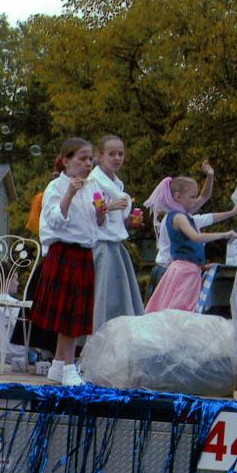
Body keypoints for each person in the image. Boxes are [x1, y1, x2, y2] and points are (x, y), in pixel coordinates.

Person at [28, 138, 105, 387]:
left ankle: (58, 365)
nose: (88, 164)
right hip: (64, 252)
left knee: (74, 314)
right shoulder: (56, 187)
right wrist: (70, 194)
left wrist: (101, 213)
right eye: (82, 159)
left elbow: (97, 224)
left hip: (83, 253)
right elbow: (54, 221)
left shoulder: (92, 187)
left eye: (90, 159)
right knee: (69, 315)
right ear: (66, 161)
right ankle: (70, 368)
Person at [143, 176, 237, 313]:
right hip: (172, 270)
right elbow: (196, 238)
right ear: (178, 197)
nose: (195, 201)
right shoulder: (179, 218)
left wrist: (210, 176)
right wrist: (224, 234)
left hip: (179, 270)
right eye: (192, 197)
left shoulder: (187, 218)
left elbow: (205, 198)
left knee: (172, 309)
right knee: (179, 311)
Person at [87, 134, 144, 330]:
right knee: (103, 296)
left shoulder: (117, 185)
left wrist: (130, 221)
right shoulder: (92, 182)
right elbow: (89, 217)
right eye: (111, 154)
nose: (117, 158)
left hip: (116, 246)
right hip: (101, 246)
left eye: (120, 154)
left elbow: (116, 222)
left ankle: (116, 335)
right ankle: (97, 334)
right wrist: (107, 208)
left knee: (118, 297)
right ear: (100, 156)